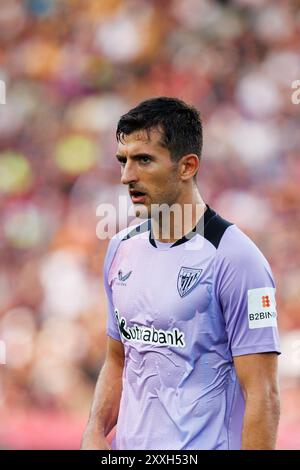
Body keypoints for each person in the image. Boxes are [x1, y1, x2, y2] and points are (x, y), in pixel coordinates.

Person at [81, 97, 280, 450]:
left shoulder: (236, 259)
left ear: (187, 166)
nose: (128, 176)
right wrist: (94, 432)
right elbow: (118, 358)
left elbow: (263, 395)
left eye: (144, 159)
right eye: (123, 161)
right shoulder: (120, 249)